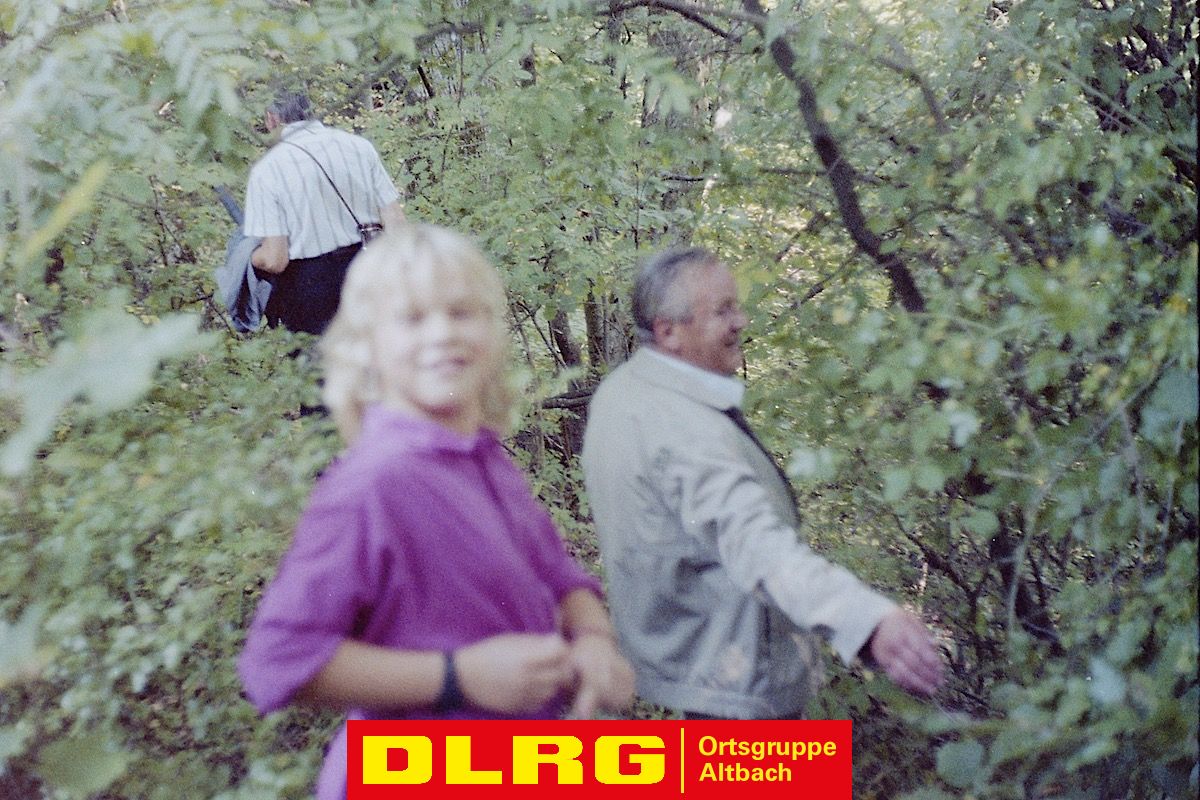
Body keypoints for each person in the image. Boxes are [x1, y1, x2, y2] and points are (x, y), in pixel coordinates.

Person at [239, 224, 634, 799]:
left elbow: (559, 576)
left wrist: (593, 638)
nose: (443, 334)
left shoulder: (484, 458)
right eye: (412, 318)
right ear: (368, 345)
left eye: (462, 312)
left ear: (492, 331)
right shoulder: (374, 484)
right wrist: (459, 676)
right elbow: (276, 662)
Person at [580, 246, 944, 720]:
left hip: (683, 660)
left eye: (737, 305)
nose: (742, 321)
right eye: (723, 311)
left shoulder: (624, 390)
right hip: (734, 684)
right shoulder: (683, 430)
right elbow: (759, 547)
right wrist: (868, 621)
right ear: (668, 331)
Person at [243, 89, 407, 334]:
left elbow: (275, 260)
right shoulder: (358, 147)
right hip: (369, 268)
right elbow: (396, 224)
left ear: (272, 118)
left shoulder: (267, 170)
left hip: (310, 287)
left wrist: (247, 257)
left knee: (321, 357)